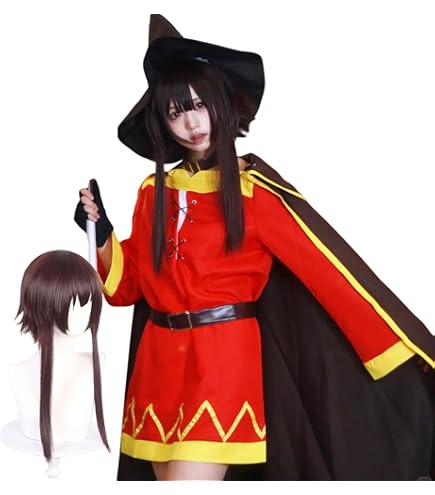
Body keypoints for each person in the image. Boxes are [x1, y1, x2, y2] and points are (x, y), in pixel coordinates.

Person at [74, 15, 435, 481]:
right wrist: (100, 233)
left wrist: (405, 352)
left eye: (199, 105)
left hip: (221, 365)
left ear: (220, 104)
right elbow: (128, 286)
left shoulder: (253, 192)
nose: (191, 122)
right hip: (157, 367)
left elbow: (329, 272)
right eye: (176, 112)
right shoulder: (152, 191)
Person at [13, 250, 109, 462]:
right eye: (78, 302)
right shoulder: (17, 374)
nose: (86, 311)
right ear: (43, 301)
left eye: (90, 301)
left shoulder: (96, 364)